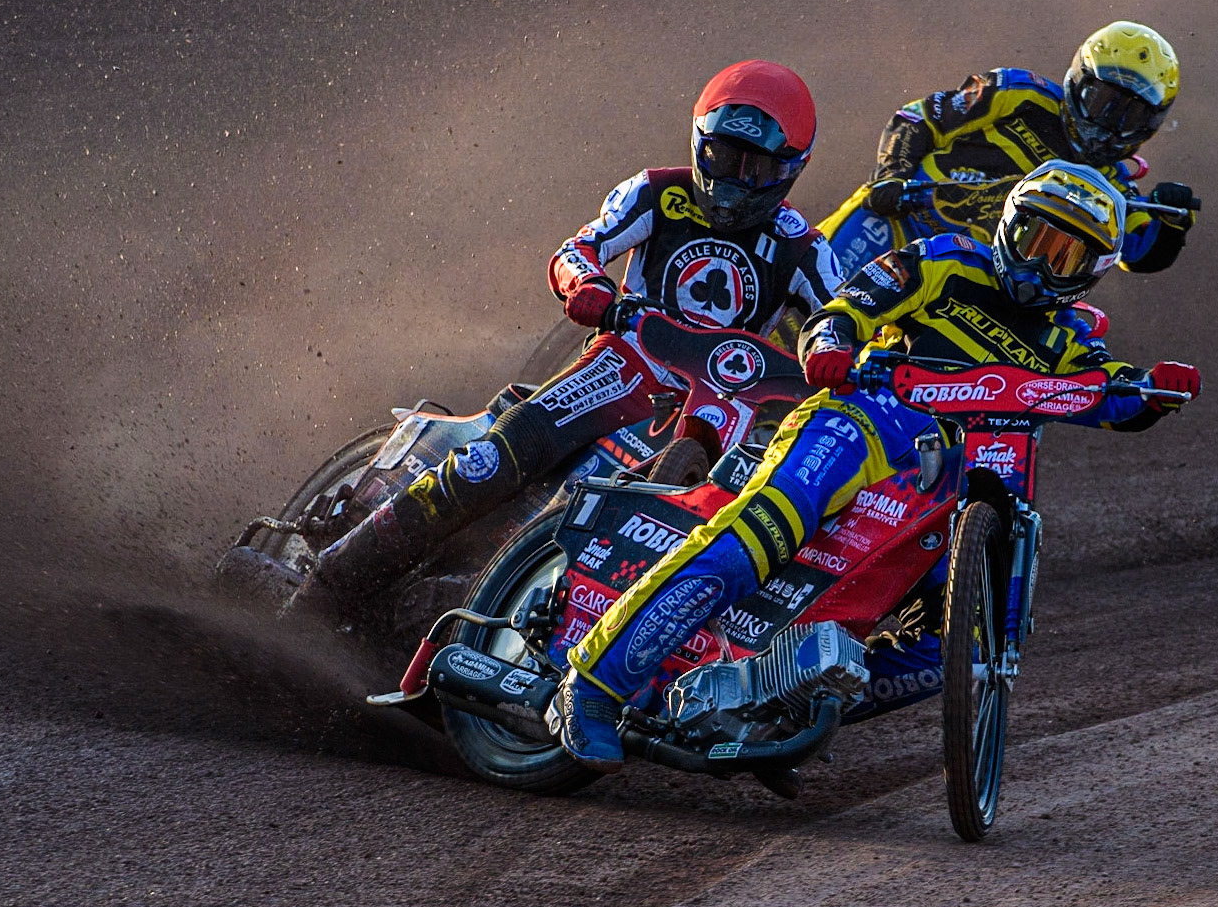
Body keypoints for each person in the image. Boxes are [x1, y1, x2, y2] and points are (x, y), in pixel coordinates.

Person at [553, 159, 1201, 772]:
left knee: (961, 643)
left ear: (1094, 270)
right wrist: (831, 343)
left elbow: (1108, 390)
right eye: (1036, 238)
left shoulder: (1067, 338)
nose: (1041, 264)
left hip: (948, 481)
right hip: (861, 423)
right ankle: (593, 684)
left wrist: (1152, 391)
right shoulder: (943, 259)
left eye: (1067, 255)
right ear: (1009, 223)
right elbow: (845, 309)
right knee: (756, 536)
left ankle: (780, 703)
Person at [299, 60, 844, 611]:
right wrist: (586, 285)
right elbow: (578, 248)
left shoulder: (803, 246)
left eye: (755, 170)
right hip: (620, 366)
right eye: (724, 159)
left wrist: (831, 351)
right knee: (494, 461)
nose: (733, 182)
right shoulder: (657, 193)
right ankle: (328, 580)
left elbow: (843, 319)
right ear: (700, 143)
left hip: (710, 414)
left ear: (791, 170)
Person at [820, 20, 1197, 277]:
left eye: (1129, 115)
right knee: (815, 290)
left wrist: (1173, 224)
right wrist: (892, 176)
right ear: (1079, 81)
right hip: (899, 222)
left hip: (964, 276)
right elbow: (918, 119)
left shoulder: (1114, 187)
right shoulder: (1018, 93)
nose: (1109, 123)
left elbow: (1137, 254)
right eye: (1104, 103)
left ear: (1150, 124)